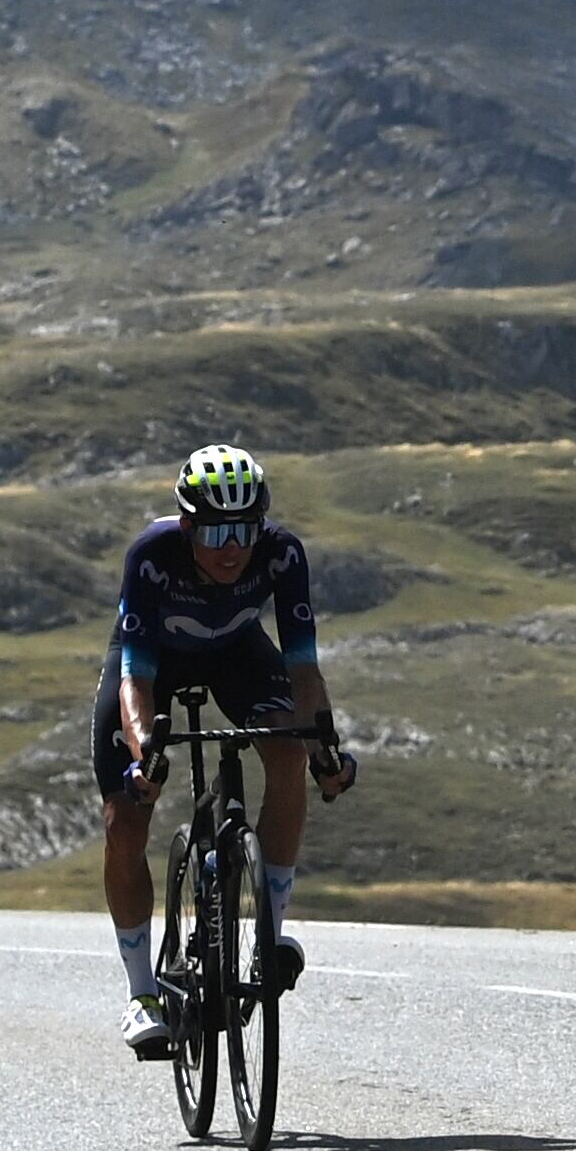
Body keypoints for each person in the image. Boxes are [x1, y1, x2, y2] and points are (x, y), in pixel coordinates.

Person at [96, 445, 353, 1057]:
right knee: (124, 819)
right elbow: (135, 679)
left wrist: (324, 745)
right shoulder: (151, 557)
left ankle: (270, 933)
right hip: (156, 661)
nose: (231, 545)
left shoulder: (282, 553)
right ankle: (142, 995)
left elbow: (304, 669)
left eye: (243, 528)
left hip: (238, 653)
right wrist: (145, 757)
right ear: (186, 524)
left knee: (290, 751)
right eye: (214, 529)